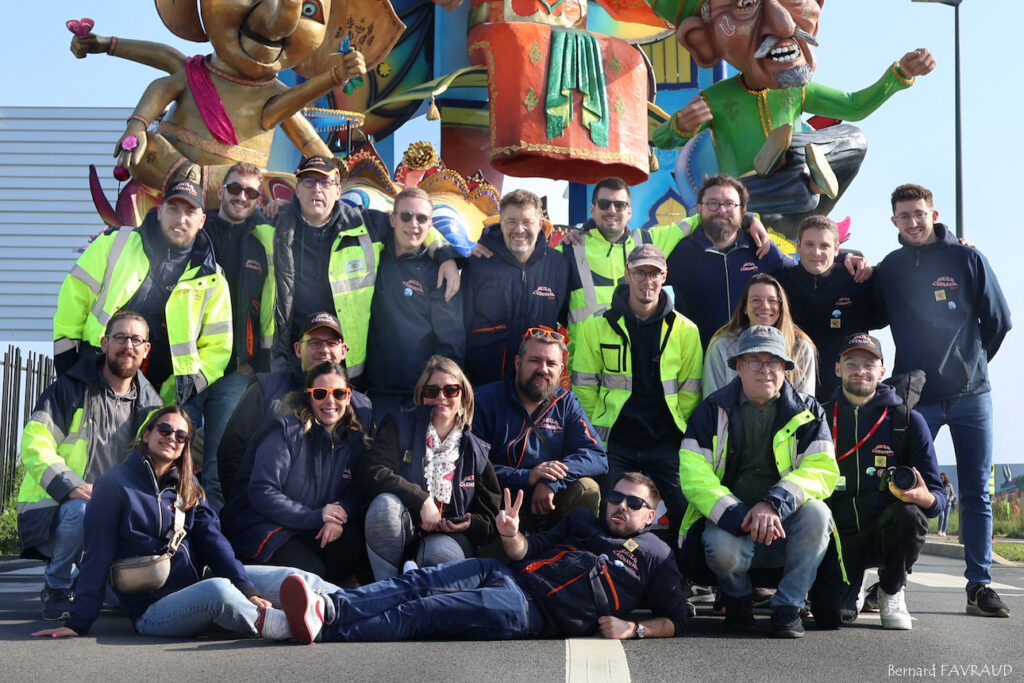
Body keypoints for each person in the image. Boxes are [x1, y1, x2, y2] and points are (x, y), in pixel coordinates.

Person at [256, 473, 690, 644]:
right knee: (417, 582)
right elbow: (528, 551)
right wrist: (511, 534)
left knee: (427, 610)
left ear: (650, 515)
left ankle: (316, 630)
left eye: (634, 504)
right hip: (506, 572)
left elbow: (678, 619)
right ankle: (330, 608)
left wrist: (635, 629)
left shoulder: (658, 555)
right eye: (616, 497)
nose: (621, 507)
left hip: (531, 610)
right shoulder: (582, 522)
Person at [649, 0, 935, 229]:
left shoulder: (797, 90)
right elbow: (660, 139)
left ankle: (791, 153)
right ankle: (791, 167)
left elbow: (854, 106)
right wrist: (681, 125)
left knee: (854, 139)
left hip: (793, 201)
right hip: (748, 203)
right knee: (803, 191)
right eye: (746, 4)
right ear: (703, 40)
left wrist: (899, 75)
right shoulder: (717, 98)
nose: (784, 25)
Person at [873, 183, 1012, 617]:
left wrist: (972, 363)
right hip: (916, 398)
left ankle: (979, 587)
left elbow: (1000, 321)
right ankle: (890, 582)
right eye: (904, 216)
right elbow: (868, 312)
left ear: (933, 215)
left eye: (920, 213)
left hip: (972, 397)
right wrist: (854, 262)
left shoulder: (967, 258)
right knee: (901, 485)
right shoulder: (890, 268)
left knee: (976, 493)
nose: (913, 222)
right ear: (894, 221)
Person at [31, 407, 272, 639]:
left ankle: (289, 615)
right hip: (153, 609)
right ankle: (278, 624)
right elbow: (97, 557)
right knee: (218, 591)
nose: (172, 438)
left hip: (193, 586)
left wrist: (247, 590)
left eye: (181, 435)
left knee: (282, 578)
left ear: (185, 445)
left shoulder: (189, 486)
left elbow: (214, 543)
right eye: (165, 430)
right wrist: (79, 623)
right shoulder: (113, 485)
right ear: (147, 435)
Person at [679, 325, 838, 638]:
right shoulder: (710, 411)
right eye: (755, 361)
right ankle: (737, 599)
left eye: (774, 361)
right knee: (721, 550)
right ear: (738, 366)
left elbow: (822, 471)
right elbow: (694, 475)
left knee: (819, 515)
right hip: (732, 523)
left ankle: (788, 607)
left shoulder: (809, 411)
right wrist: (737, 515)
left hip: (784, 522)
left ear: (785, 368)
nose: (765, 370)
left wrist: (773, 504)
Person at [17, 311, 162, 620]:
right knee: (82, 510)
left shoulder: (153, 408)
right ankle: (57, 586)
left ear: (146, 349)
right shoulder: (69, 389)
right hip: (58, 508)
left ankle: (87, 582)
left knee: (125, 601)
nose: (128, 346)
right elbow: (34, 444)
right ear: (104, 343)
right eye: (120, 338)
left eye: (136, 340)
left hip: (115, 517)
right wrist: (71, 486)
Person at [268, 155, 461, 379]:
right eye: (309, 181)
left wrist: (446, 256)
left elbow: (412, 226)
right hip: (292, 359)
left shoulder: (365, 224)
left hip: (345, 365)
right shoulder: (274, 224)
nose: (317, 189)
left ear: (338, 191)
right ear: (297, 189)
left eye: (326, 182)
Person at [53, 178, 232, 407]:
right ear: (160, 211)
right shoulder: (113, 243)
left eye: (190, 212)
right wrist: (67, 360)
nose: (181, 219)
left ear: (202, 221)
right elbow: (74, 299)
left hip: (162, 398)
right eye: (173, 209)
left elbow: (218, 346)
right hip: (95, 377)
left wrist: (184, 390)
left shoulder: (213, 278)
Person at [571, 244, 702, 538]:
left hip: (666, 442)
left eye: (654, 273)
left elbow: (690, 393)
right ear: (627, 274)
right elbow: (584, 389)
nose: (648, 281)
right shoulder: (596, 325)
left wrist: (679, 437)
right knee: (605, 512)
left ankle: (681, 566)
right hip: (615, 440)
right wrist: (596, 437)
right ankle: (602, 563)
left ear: (664, 276)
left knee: (688, 511)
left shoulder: (686, 330)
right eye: (640, 272)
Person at [819, 333, 945, 630]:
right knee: (830, 617)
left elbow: (937, 497)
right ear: (837, 368)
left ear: (882, 371)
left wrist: (925, 499)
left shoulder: (907, 421)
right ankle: (852, 585)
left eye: (869, 364)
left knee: (910, 515)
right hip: (836, 536)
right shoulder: (818, 417)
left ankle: (891, 588)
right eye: (851, 363)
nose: (860, 370)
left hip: (884, 533)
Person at [221, 362, 371, 584]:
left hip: (306, 527)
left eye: (339, 393)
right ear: (309, 397)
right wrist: (315, 516)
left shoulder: (354, 443)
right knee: (310, 571)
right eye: (320, 394)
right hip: (264, 528)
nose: (330, 401)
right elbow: (262, 491)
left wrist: (337, 516)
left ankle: (324, 599)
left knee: (351, 544)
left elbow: (355, 495)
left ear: (348, 397)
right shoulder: (284, 432)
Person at [362, 356, 500, 580]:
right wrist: (422, 500)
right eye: (432, 391)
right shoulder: (398, 425)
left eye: (451, 390)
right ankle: (384, 588)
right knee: (384, 506)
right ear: (422, 396)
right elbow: (375, 471)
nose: (441, 397)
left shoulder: (476, 451)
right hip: (404, 528)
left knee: (441, 554)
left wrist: (468, 524)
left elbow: (490, 520)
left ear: (463, 397)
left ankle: (425, 599)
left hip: (447, 539)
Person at [217, 312, 372, 503]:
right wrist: (243, 506)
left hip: (334, 517)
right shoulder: (266, 389)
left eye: (332, 343)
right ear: (298, 349)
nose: (324, 350)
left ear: (344, 351)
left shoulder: (361, 405)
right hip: (265, 512)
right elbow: (232, 452)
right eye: (315, 342)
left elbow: (363, 472)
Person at [194, 161, 276, 511]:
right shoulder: (197, 229)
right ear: (220, 190)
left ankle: (214, 539)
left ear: (259, 200)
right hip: (188, 365)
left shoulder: (262, 239)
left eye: (251, 192)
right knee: (167, 457)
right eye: (234, 188)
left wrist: (252, 362)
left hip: (235, 372)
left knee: (217, 467)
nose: (242, 197)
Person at [473, 328, 607, 531]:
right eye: (535, 360)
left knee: (587, 488)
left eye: (551, 363)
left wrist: (551, 480)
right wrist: (528, 477)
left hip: (548, 505)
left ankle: (571, 548)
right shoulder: (484, 399)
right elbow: (472, 467)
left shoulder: (566, 402)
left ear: (561, 369)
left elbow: (597, 456)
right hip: (498, 507)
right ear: (518, 363)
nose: (543, 369)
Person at [362, 187, 466, 422]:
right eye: (406, 216)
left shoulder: (439, 272)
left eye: (421, 218)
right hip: (375, 392)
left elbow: (451, 339)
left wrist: (445, 391)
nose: (414, 224)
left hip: (419, 396)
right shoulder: (374, 255)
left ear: (430, 225)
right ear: (393, 219)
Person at [666, 175, 798, 347]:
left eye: (730, 204)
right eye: (712, 203)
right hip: (697, 357)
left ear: (742, 209)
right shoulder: (681, 252)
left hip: (755, 356)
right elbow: (642, 281)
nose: (721, 210)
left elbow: (802, 274)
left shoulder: (761, 246)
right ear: (700, 208)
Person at [462, 189, 568, 385]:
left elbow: (572, 320)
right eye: (511, 222)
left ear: (540, 225)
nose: (519, 229)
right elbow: (457, 326)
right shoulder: (477, 263)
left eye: (527, 222)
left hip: (536, 386)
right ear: (501, 224)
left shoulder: (558, 265)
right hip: (483, 386)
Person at [774, 215, 879, 402]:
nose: (817, 252)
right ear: (798, 245)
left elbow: (883, 316)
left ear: (837, 249)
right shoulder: (780, 282)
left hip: (843, 396)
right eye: (809, 244)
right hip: (793, 392)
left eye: (824, 246)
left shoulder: (857, 279)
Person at [703, 273, 817, 398]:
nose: (765, 306)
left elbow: (805, 403)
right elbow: (713, 400)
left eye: (772, 300)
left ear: (781, 307)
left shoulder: (801, 347)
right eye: (756, 300)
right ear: (745, 307)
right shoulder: (722, 345)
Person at [938, 473, 956, 537]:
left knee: (946, 517)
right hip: (941, 503)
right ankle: (939, 530)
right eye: (939, 478)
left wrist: (950, 499)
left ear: (944, 478)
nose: (940, 479)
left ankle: (944, 531)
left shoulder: (949, 485)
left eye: (941, 478)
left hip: (948, 504)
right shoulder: (939, 485)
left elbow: (953, 494)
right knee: (941, 516)